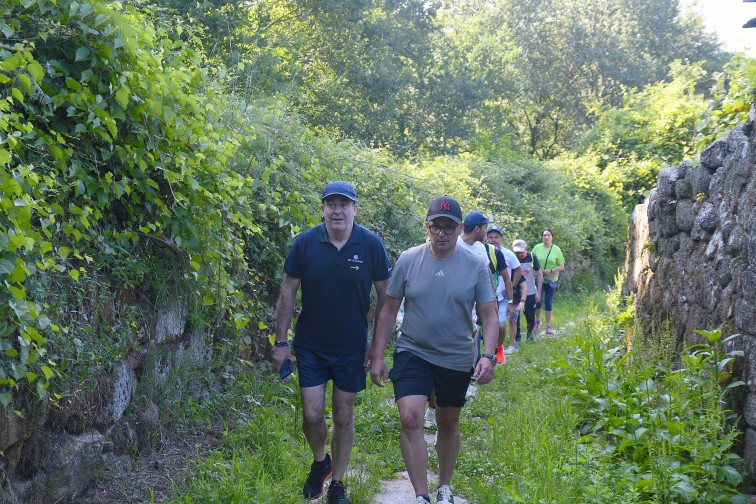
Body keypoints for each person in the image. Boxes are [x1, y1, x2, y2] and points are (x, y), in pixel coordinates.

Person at [365, 196, 499, 504]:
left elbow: (490, 315)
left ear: (460, 228)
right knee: (410, 417)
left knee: (447, 420)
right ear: (427, 226)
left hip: (456, 356)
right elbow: (388, 310)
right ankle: (422, 495)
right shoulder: (409, 259)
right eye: (436, 226)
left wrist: (488, 356)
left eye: (449, 227)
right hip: (414, 351)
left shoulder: (476, 264)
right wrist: (378, 354)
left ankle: (445, 487)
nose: (442, 233)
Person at [272, 181, 392, 504]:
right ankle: (320, 461)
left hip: (352, 346)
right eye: (331, 204)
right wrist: (281, 342)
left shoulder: (371, 245)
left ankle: (337, 484)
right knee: (312, 415)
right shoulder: (306, 243)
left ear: (355, 208)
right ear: (322, 208)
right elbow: (287, 291)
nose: (337, 210)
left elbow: (386, 294)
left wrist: (376, 347)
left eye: (344, 204)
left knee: (343, 414)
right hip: (310, 344)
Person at [486, 225, 522, 358]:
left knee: (501, 325)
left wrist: (512, 286)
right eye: (491, 237)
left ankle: (499, 348)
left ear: (501, 238)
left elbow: (518, 270)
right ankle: (489, 352)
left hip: (503, 296)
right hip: (488, 295)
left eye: (496, 237)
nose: (493, 240)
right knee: (488, 325)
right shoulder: (484, 251)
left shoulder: (508, 254)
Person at [531, 228, 565, 335]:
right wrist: (537, 270)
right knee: (538, 301)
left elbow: (561, 266)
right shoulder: (537, 248)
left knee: (548, 302)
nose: (546, 237)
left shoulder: (556, 249)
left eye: (548, 235)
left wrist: (550, 270)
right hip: (539, 279)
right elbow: (530, 260)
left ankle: (548, 326)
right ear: (542, 237)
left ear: (552, 237)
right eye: (544, 235)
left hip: (551, 280)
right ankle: (537, 320)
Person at [512, 239, 543, 343]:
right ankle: (517, 339)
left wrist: (538, 291)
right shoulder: (512, 258)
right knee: (516, 318)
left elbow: (539, 274)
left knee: (530, 316)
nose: (519, 255)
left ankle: (530, 333)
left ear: (526, 249)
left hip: (530, 292)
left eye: (521, 252)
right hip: (516, 293)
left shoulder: (532, 257)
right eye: (517, 252)